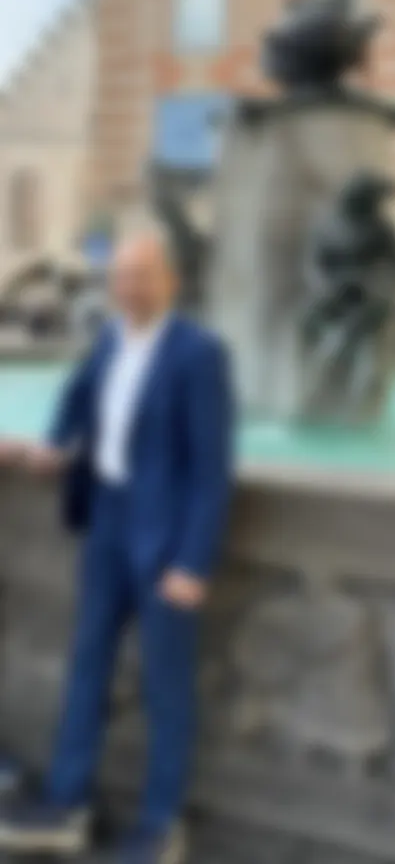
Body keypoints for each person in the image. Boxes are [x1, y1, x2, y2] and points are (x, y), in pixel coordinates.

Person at [0, 232, 235, 864]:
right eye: (122, 276)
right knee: (87, 667)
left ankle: (159, 826)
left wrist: (193, 560)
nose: (129, 287)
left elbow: (212, 470)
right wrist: (47, 444)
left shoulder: (198, 352)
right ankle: (66, 803)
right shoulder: (109, 339)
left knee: (165, 687)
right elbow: (78, 401)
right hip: (105, 520)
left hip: (163, 536)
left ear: (169, 282)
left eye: (142, 276)